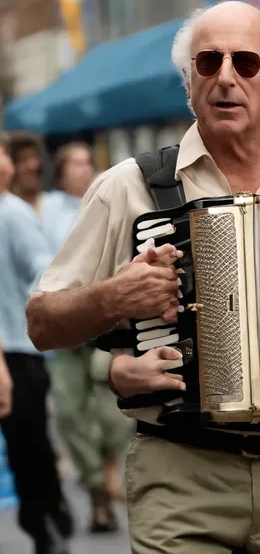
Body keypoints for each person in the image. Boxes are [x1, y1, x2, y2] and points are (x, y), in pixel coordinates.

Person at [26, 1, 260, 554]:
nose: (226, 77)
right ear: (189, 82)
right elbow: (42, 322)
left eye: (246, 63)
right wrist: (116, 296)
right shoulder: (130, 187)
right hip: (180, 469)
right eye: (209, 62)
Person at [41, 142, 132, 533]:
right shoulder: (44, 211)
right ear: (60, 171)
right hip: (64, 334)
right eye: (73, 163)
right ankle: (97, 484)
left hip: (105, 328)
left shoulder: (110, 202)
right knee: (67, 414)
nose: (81, 170)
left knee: (112, 416)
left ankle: (104, 486)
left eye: (85, 162)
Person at [0, 132, 73, 554]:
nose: (10, 162)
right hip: (12, 349)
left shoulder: (12, 213)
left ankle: (44, 517)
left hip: (17, 351)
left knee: (29, 444)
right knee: (26, 445)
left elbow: (41, 265)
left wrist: (39, 309)